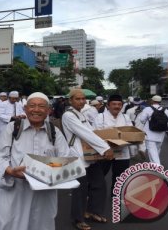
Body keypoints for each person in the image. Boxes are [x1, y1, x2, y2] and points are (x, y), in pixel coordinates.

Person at [0, 92, 77, 230]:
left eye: (41, 106)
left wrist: (50, 170)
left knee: (40, 224)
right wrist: (10, 171)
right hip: (15, 190)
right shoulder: (13, 128)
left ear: (49, 110)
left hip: (44, 193)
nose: (36, 110)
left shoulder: (55, 132)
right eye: (32, 106)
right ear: (25, 109)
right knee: (8, 222)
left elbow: (65, 161)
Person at [62, 89, 113, 230]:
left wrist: (108, 140)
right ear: (70, 100)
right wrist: (104, 148)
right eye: (77, 99)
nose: (81, 101)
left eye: (83, 99)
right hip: (78, 156)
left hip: (90, 155)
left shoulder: (81, 114)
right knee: (80, 190)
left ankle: (93, 211)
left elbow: (92, 131)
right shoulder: (68, 115)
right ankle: (77, 219)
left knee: (99, 184)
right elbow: (85, 133)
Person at [93, 94, 134, 194]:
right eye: (114, 104)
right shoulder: (100, 117)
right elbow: (95, 134)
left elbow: (131, 133)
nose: (117, 106)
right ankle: (94, 195)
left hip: (122, 153)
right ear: (108, 105)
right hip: (105, 152)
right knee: (99, 175)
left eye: (119, 104)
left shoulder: (125, 117)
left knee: (120, 178)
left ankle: (116, 196)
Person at [139, 95, 168, 165]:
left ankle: (158, 170)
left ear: (152, 101)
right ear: (160, 101)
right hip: (161, 135)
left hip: (149, 135)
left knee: (153, 155)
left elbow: (142, 120)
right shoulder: (165, 110)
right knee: (156, 153)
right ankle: (153, 168)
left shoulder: (147, 109)